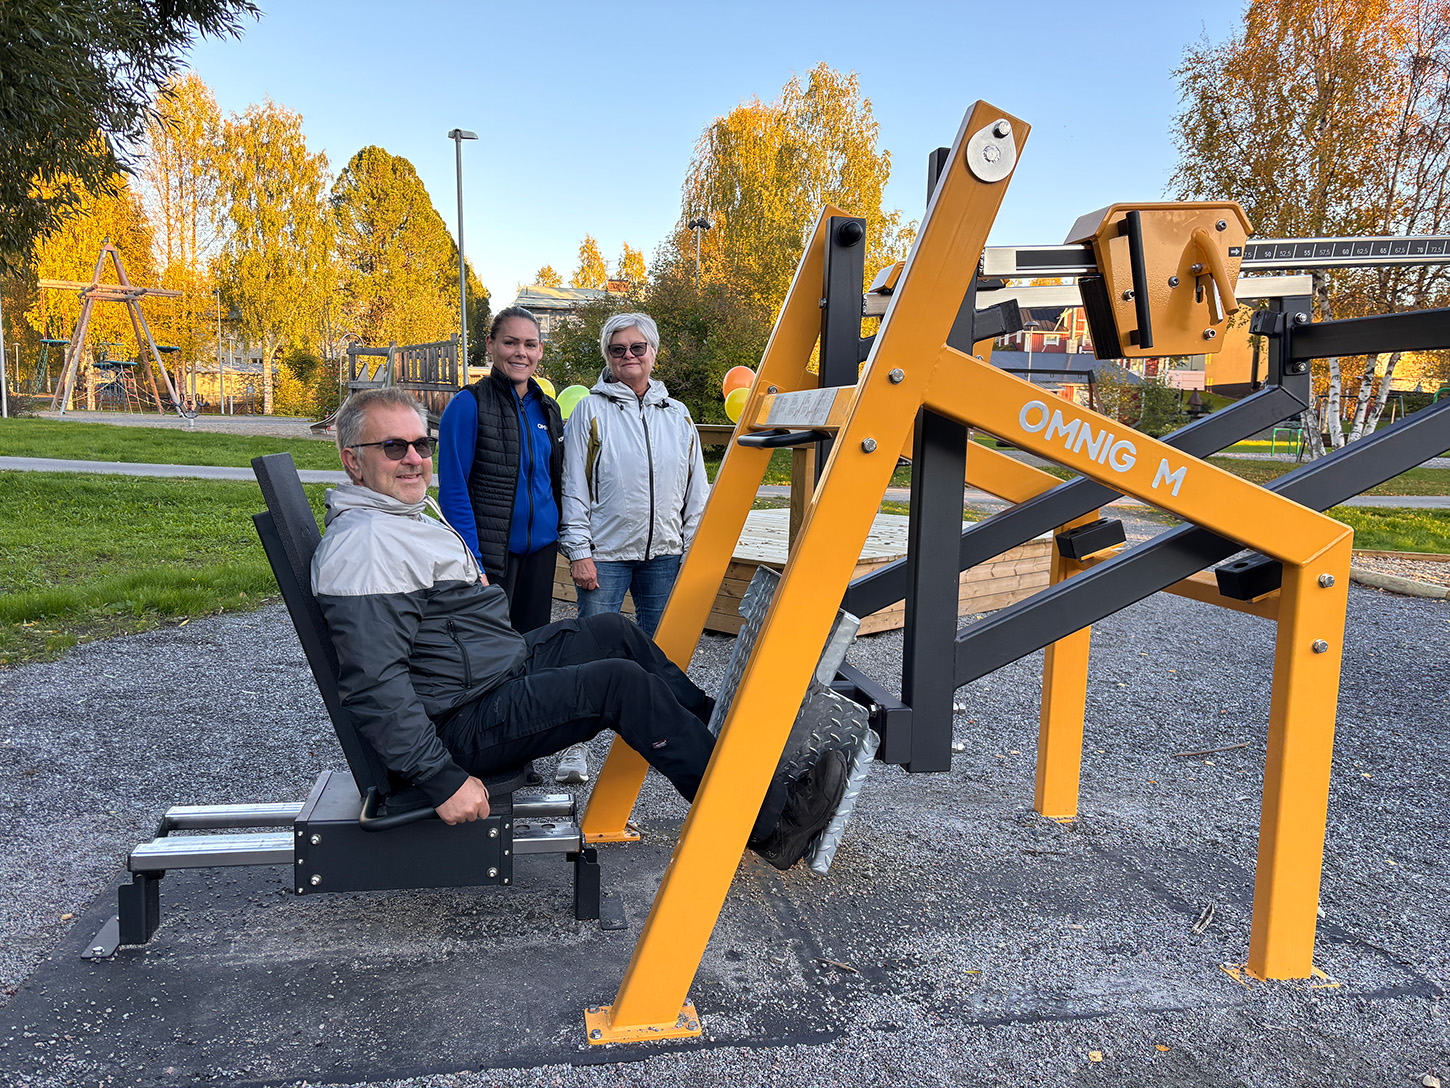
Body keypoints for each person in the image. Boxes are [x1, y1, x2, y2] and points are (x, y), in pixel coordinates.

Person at [310, 387, 845, 871]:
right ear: (353, 461)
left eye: (422, 445)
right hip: (457, 723)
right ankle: (769, 823)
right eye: (394, 448)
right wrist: (440, 778)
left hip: (486, 678)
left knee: (612, 630)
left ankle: (724, 742)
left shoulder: (394, 521)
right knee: (618, 684)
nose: (414, 459)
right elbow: (375, 684)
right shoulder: (367, 548)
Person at [561, 312, 708, 639]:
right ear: (608, 356)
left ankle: (654, 694)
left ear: (653, 352)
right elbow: (572, 487)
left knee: (662, 649)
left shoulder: (678, 414)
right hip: (604, 557)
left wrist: (692, 550)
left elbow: (697, 490)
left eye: (638, 347)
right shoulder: (589, 410)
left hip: (665, 556)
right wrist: (579, 552)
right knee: (595, 647)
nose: (629, 355)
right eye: (618, 349)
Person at [438, 306, 562, 635]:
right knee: (488, 652)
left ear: (540, 350)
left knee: (532, 647)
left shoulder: (548, 409)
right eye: (510, 342)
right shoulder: (468, 405)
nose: (521, 352)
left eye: (530, 344)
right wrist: (473, 562)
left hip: (542, 551)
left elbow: (554, 479)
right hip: (492, 556)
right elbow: (453, 492)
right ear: (491, 344)